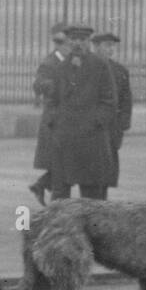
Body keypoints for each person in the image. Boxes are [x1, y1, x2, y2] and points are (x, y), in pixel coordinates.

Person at [47, 24, 117, 201]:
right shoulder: (61, 68)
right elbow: (52, 101)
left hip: (91, 140)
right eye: (73, 39)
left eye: (82, 40)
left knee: (92, 194)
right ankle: (61, 228)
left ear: (88, 42)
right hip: (65, 140)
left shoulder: (100, 66)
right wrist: (56, 123)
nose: (78, 43)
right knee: (60, 193)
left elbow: (109, 101)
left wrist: (94, 123)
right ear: (68, 41)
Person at [29, 22, 69, 205]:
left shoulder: (72, 62)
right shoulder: (49, 63)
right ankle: (52, 199)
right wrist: (56, 86)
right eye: (64, 43)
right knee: (62, 165)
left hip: (68, 120)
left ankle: (42, 184)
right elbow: (38, 85)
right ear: (58, 44)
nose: (68, 47)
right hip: (54, 121)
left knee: (67, 164)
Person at [93, 33, 132, 190]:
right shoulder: (89, 68)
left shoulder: (120, 70)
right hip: (94, 126)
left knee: (108, 169)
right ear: (96, 47)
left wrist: (123, 124)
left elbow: (126, 99)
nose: (110, 49)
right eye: (106, 45)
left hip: (112, 126)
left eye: (112, 45)